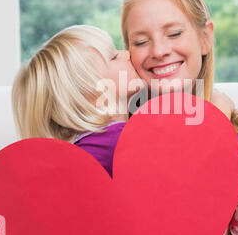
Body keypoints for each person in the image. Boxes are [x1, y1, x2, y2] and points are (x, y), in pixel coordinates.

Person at [121, 0, 238, 235]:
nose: (159, 51)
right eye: (141, 41)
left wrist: (215, 124)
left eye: (174, 34)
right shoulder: (116, 140)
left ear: (205, 39)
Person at [12, 25, 142, 177]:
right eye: (113, 57)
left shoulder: (81, 146)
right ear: (94, 95)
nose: (126, 54)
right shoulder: (120, 139)